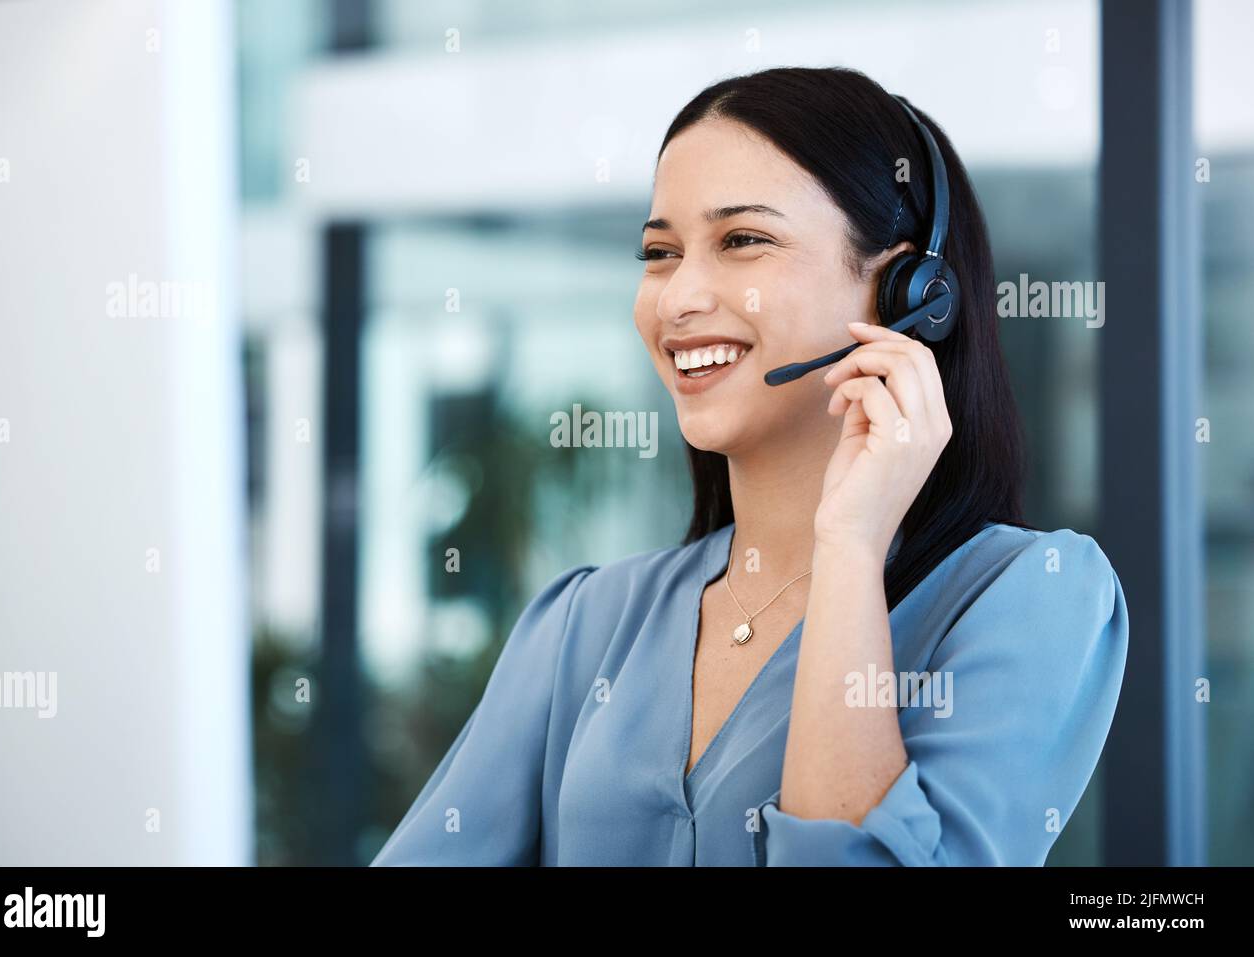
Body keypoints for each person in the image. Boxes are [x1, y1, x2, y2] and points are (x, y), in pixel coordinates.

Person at [370, 66, 1129, 866]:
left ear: (907, 290)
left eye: (742, 240)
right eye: (659, 252)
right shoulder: (585, 624)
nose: (677, 297)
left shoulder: (1035, 593)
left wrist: (850, 545)